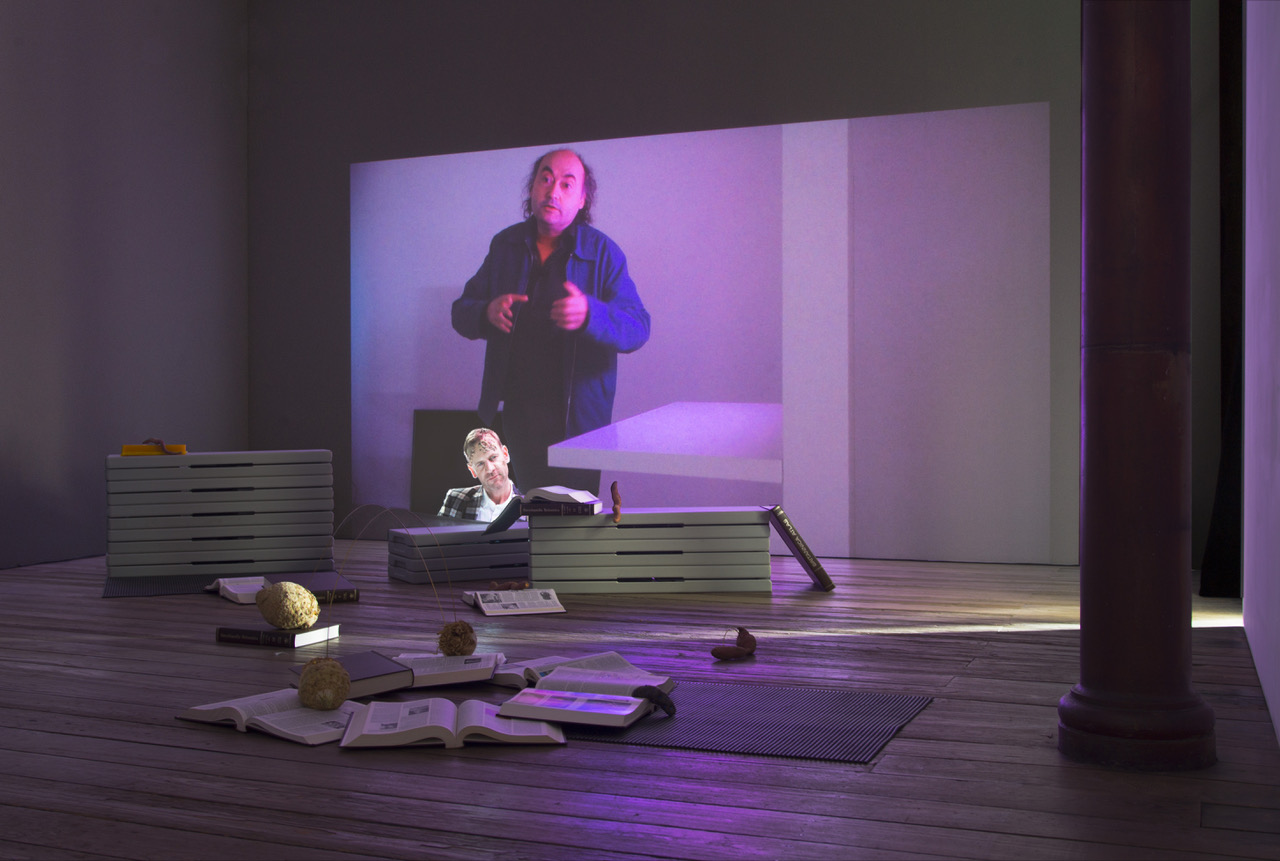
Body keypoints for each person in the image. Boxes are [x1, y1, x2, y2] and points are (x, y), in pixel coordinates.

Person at [451, 148, 650, 493]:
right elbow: (461, 312)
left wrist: (590, 314)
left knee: (575, 515)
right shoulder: (505, 245)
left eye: (566, 184)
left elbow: (638, 327)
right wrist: (486, 312)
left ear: (582, 199)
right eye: (545, 179)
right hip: (520, 415)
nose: (553, 191)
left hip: (582, 422)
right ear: (532, 188)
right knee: (534, 508)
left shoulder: (604, 253)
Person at [437, 428, 519, 523]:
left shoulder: (528, 505)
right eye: (480, 464)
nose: (490, 469)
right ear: (472, 470)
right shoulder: (456, 500)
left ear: (505, 454)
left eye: (493, 457)